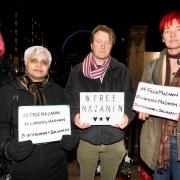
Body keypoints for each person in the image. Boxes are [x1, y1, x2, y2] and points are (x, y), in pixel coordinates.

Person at [65, 24, 136, 180]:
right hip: (87, 139)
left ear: (112, 45)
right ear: (91, 45)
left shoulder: (122, 70)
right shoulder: (77, 71)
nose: (103, 46)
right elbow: (69, 99)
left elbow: (131, 99)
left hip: (114, 140)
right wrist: (75, 115)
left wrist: (127, 116)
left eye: (108, 42)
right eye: (99, 41)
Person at [0, 46, 79, 180]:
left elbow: (70, 122)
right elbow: (1, 125)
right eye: (34, 60)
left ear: (48, 66)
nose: (39, 65)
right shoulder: (7, 91)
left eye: (44, 62)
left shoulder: (59, 92)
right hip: (21, 170)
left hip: (57, 169)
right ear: (25, 63)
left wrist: (72, 138)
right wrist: (7, 147)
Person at [138, 11, 180, 180]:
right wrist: (142, 108)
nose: (172, 35)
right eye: (167, 30)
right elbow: (143, 97)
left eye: (178, 29)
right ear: (162, 37)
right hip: (157, 140)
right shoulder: (152, 66)